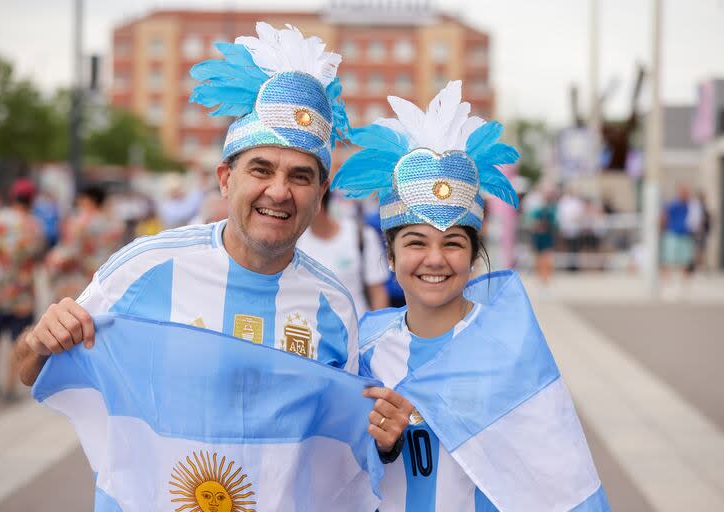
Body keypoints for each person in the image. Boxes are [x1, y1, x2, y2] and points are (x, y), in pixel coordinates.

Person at [16, 24, 373, 427]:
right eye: (261, 169)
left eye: (300, 176)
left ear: (321, 191)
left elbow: (344, 441)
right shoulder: (144, 267)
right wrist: (39, 340)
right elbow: (30, 371)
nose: (279, 191)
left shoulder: (336, 308)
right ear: (225, 179)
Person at [333, 81, 609, 510]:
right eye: (416, 242)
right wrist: (382, 447)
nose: (435, 259)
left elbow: (555, 475)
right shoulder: (365, 347)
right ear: (390, 255)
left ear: (475, 254)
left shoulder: (507, 346)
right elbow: (334, 469)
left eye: (453, 243)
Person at [0, 178, 45, 403]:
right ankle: (8, 385)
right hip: (21, 288)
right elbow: (37, 255)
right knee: (16, 336)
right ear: (31, 199)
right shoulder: (34, 225)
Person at [297, 190, 389, 314]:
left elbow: (377, 292)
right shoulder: (296, 243)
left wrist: (378, 330)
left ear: (318, 203)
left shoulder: (361, 235)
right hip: (313, 329)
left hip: (359, 328)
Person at [46, 184, 125, 301]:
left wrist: (53, 261)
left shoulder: (80, 223)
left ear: (88, 201)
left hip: (78, 283)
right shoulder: (115, 224)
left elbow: (69, 253)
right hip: (103, 282)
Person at [661, 184, 694, 298]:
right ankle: (667, 286)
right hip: (673, 234)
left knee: (684, 261)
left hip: (684, 235)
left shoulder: (688, 205)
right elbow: (663, 216)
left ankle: (684, 287)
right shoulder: (673, 204)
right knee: (668, 260)